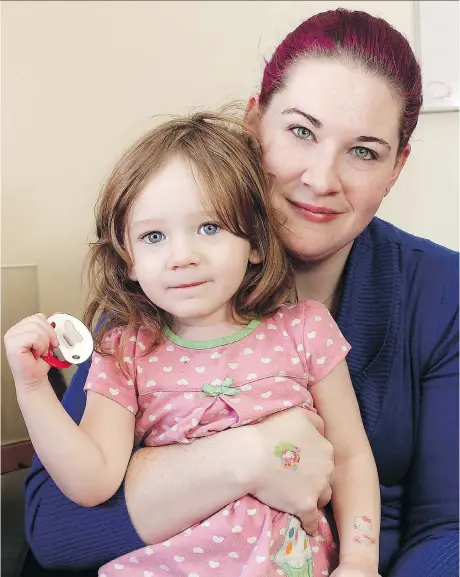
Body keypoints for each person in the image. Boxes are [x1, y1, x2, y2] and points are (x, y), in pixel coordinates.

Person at [22, 8, 458, 577]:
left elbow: (450, 527)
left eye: (364, 151)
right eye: (301, 131)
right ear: (254, 125)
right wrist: (248, 456)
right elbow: (55, 532)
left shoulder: (442, 294)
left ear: (396, 168)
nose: (321, 179)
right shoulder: (162, 291)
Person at [6, 110, 381, 577]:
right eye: (154, 236)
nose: (182, 257)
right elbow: (91, 481)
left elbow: (349, 455)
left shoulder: (304, 329)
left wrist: (361, 561)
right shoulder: (124, 351)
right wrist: (34, 390)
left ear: (257, 243)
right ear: (128, 261)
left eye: (209, 227)